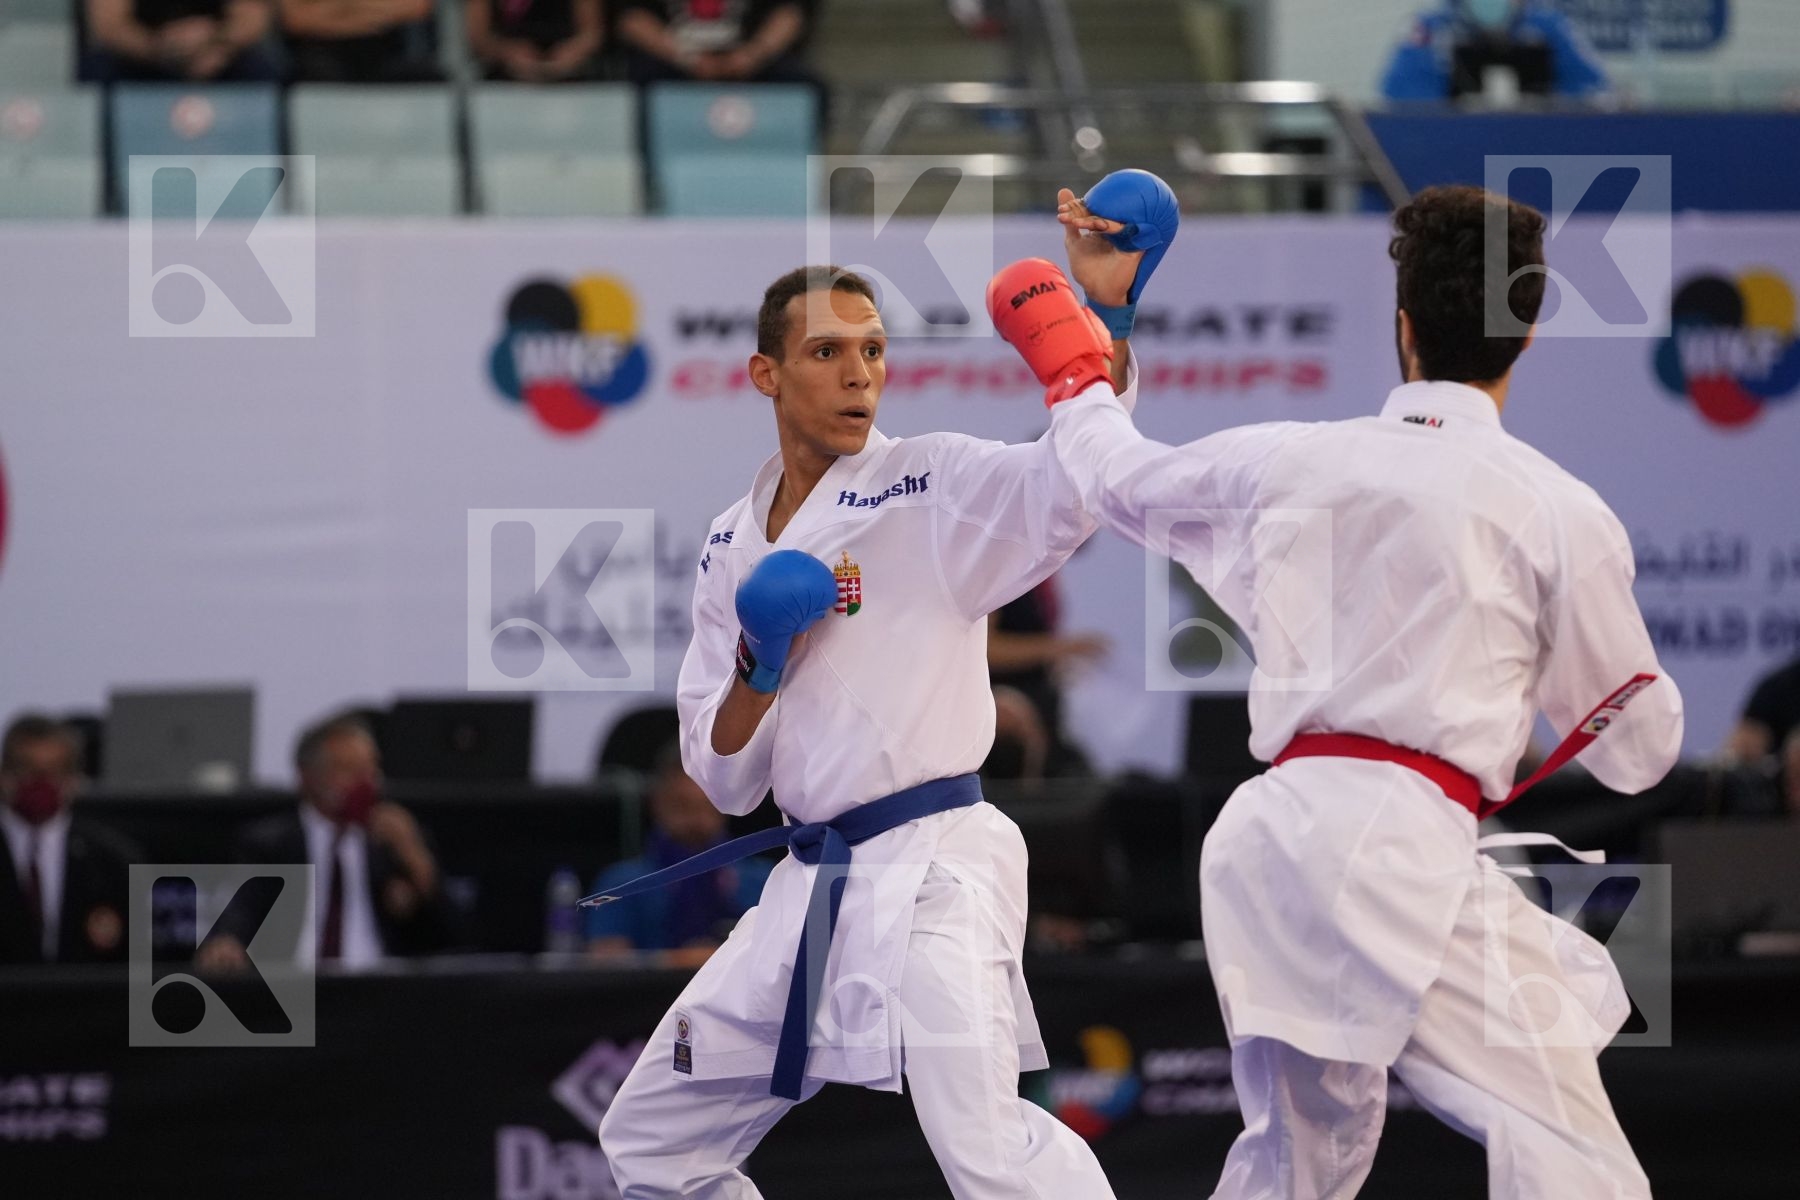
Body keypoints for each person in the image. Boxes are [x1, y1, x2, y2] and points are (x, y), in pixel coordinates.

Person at [994, 183, 1683, 1197]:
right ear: (1526, 341)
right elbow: (1639, 749)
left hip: (1271, 843)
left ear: (1402, 328)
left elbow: (1115, 479)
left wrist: (1087, 345)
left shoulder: (1291, 461)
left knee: (1300, 1159)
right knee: (1567, 1141)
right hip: (1392, 845)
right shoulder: (1559, 511)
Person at [593, 246, 1155, 1197]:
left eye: (875, 350)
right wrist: (758, 664)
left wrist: (1110, 331)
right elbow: (726, 776)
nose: (860, 373)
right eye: (826, 352)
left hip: (936, 867)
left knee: (983, 1145)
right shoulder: (732, 542)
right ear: (766, 373)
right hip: (809, 886)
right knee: (650, 1141)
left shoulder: (932, 485)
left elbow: (1071, 490)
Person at [197, 712, 449, 971]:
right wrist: (226, 942)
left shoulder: (392, 842)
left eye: (372, 770)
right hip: (293, 992)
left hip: (380, 992)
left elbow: (452, 936)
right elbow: (239, 911)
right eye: (349, 771)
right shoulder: (269, 845)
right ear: (307, 777)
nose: (366, 784)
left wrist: (413, 854)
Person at [585, 748, 770, 965]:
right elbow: (605, 965)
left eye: (707, 806)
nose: (696, 819)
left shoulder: (763, 878)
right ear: (658, 803)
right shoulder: (622, 884)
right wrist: (680, 961)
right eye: (682, 806)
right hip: (650, 996)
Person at [0, 715, 139, 966]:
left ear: (74, 779)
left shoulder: (112, 859)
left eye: (54, 771)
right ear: (4, 775)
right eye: (27, 769)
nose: (40, 782)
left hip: (87, 1003)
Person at [1382, 0, 1608, 102]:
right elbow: (1401, 95)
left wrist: (1544, 108)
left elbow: (1592, 88)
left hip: (1541, 144)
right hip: (1453, 146)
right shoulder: (1430, 28)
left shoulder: (1549, 26)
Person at [613, 0, 824, 94]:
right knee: (634, 85)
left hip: (751, 58)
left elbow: (790, 14)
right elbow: (631, 19)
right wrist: (687, 57)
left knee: (802, 85)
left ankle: (796, 169)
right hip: (671, 59)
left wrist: (752, 55)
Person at [84, 0, 281, 82]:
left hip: (217, 52)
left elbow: (252, 17)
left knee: (265, 68)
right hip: (145, 52)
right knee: (98, 67)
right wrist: (160, 49)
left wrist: (216, 43)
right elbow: (109, 24)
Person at [280, 0, 444, 82]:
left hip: (392, 52)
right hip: (319, 55)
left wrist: (339, 9)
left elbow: (417, 6)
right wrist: (373, 13)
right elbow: (295, 18)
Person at [465, 0, 604, 82]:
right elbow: (478, 37)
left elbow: (592, 33)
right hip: (506, 77)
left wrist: (572, 52)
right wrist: (506, 53)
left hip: (569, 76)